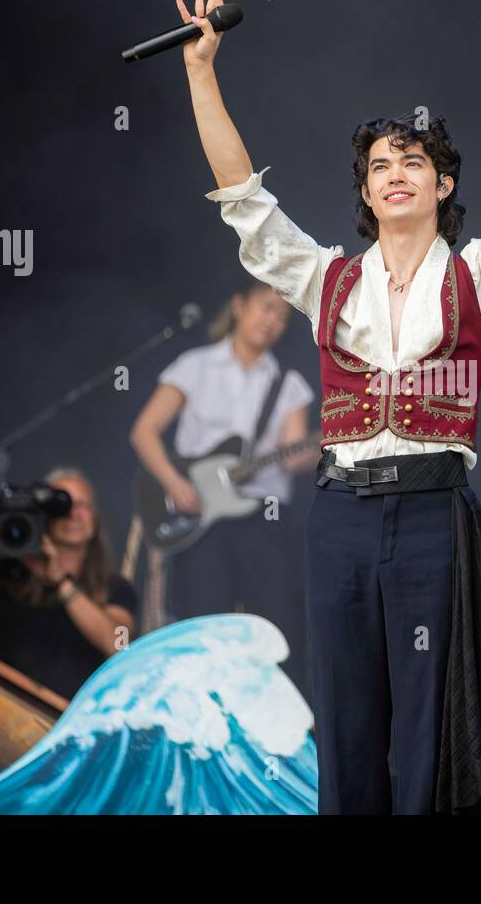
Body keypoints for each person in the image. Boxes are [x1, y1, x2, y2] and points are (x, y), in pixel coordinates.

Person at [177, 0, 481, 813]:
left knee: (431, 735)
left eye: (412, 163)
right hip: (341, 520)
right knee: (348, 732)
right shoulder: (329, 281)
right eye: (380, 166)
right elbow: (244, 201)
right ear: (364, 192)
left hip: (433, 520)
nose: (394, 176)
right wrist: (202, 73)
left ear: (443, 185)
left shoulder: (480, 279)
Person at [129, 279, 321, 697]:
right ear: (239, 305)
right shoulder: (193, 366)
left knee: (278, 625)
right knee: (201, 623)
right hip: (200, 516)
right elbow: (145, 431)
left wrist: (322, 445)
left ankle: (279, 727)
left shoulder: (288, 385)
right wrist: (174, 483)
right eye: (265, 307)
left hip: (264, 521)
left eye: (282, 316)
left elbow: (291, 458)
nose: (272, 321)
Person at [0, 467, 138, 699]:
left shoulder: (115, 589)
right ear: (44, 518)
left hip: (76, 723)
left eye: (83, 505)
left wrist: (60, 582)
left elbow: (119, 645)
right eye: (63, 506)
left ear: (95, 517)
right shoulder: (11, 583)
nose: (73, 515)